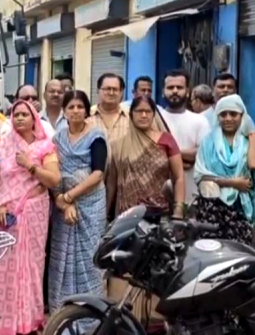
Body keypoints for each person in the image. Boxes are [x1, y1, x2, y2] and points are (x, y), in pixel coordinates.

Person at [0, 100, 60, 335]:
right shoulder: (3, 146)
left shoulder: (44, 146)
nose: (19, 118)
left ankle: (32, 320)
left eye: (24, 114)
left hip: (34, 210)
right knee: (6, 264)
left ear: (34, 119)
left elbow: (54, 180)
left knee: (32, 265)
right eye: (16, 114)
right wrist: (0, 204)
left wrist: (31, 166)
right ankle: (5, 323)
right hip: (7, 212)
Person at [49, 90, 107, 315]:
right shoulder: (57, 139)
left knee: (90, 258)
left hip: (91, 205)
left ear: (87, 110)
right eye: (71, 107)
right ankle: (62, 313)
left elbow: (98, 174)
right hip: (63, 208)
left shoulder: (96, 137)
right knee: (62, 259)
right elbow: (54, 172)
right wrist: (63, 201)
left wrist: (69, 196)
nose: (75, 111)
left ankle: (91, 314)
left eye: (80, 107)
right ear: (64, 111)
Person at [107, 96, 185, 218]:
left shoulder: (166, 140)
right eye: (139, 111)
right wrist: (106, 215)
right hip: (128, 215)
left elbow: (179, 177)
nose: (144, 115)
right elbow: (112, 183)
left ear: (153, 114)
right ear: (131, 114)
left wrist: (178, 209)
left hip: (160, 213)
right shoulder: (119, 145)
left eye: (148, 111)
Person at [194, 95, 255, 245]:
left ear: (242, 116)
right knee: (211, 250)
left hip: (240, 208)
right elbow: (201, 176)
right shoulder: (207, 143)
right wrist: (233, 183)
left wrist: (252, 134)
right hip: (211, 208)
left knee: (240, 252)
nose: (228, 119)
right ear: (217, 116)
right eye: (223, 114)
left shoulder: (247, 142)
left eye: (233, 114)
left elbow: (252, 165)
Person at [159, 70, 211, 203]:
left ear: (188, 91)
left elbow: (204, 153)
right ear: (163, 91)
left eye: (179, 87)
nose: (175, 91)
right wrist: (182, 160)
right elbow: (149, 153)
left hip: (192, 197)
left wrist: (172, 156)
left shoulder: (200, 121)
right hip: (158, 198)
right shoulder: (155, 119)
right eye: (170, 87)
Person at [88, 73, 129, 144]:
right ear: (98, 90)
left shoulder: (131, 116)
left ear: (121, 92)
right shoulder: (87, 115)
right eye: (107, 89)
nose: (111, 93)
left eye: (115, 89)